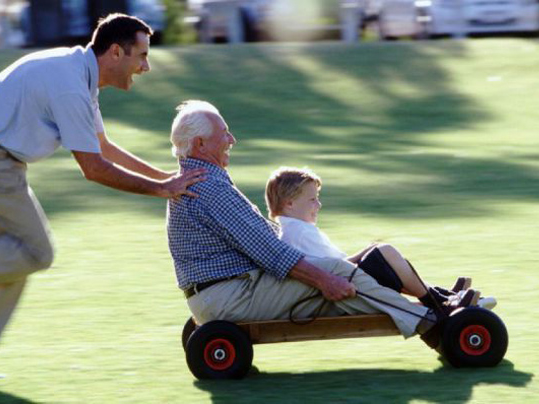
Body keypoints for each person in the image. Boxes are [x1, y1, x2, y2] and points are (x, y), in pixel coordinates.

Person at [0, 14, 205, 385]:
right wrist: (160, 190)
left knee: (10, 258)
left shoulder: (79, 73)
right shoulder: (72, 85)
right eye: (141, 56)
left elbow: (104, 148)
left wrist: (167, 179)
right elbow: (94, 168)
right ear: (116, 52)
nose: (146, 66)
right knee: (36, 252)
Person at [166, 100, 477, 353]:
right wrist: (325, 278)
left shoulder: (195, 180)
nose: (232, 140)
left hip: (219, 294)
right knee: (338, 274)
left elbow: (261, 239)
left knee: (336, 269)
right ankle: (433, 322)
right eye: (225, 133)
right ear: (201, 143)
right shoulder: (210, 187)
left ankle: (430, 303)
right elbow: (272, 253)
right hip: (231, 296)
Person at [264, 166, 497, 310]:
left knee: (380, 253)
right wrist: (370, 252)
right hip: (341, 289)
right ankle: (438, 301)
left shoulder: (294, 229)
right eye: (312, 199)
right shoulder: (300, 232)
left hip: (341, 281)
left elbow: (333, 264)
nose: (319, 204)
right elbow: (336, 269)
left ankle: (442, 295)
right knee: (384, 252)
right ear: (290, 203)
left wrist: (367, 252)